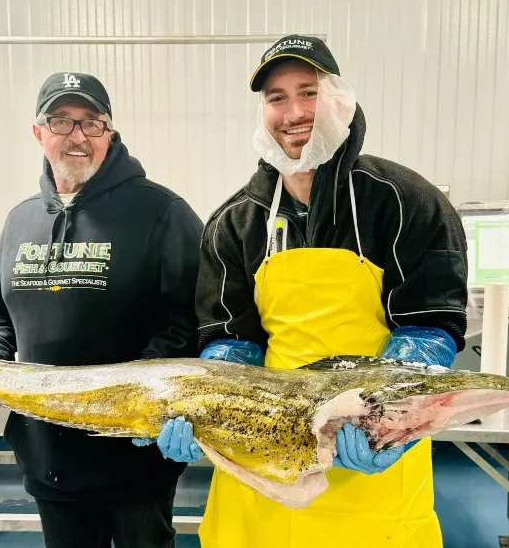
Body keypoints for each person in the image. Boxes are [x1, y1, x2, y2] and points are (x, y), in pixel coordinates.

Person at [151, 35, 469, 547]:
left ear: (339, 99)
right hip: (266, 463)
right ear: (262, 112)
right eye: (276, 97)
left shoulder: (407, 201)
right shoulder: (236, 222)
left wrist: (381, 422)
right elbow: (232, 341)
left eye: (308, 91)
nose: (293, 112)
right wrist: (209, 416)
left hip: (370, 468)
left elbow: (428, 328)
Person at [0, 71, 204, 548]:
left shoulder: (161, 213)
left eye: (92, 123)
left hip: (135, 455)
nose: (77, 136)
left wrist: (131, 396)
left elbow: (190, 313)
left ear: (110, 133)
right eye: (61, 121)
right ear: (39, 132)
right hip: (48, 453)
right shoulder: (21, 219)